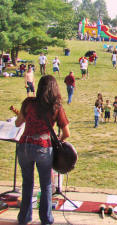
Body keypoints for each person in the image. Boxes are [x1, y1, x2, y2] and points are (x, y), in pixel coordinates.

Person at [15, 75, 70, 225]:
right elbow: (66, 133)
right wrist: (58, 139)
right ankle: (46, 219)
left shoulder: (28, 102)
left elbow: (17, 123)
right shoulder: (56, 106)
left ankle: (24, 218)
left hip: (25, 145)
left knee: (27, 183)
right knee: (45, 184)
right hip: (44, 146)